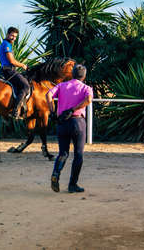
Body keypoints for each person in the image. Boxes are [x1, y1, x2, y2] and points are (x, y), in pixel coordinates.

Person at [45, 64, 93, 193]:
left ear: (72, 74)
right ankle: (72, 184)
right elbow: (88, 100)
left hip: (62, 122)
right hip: (77, 122)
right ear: (84, 76)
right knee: (78, 154)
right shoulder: (86, 88)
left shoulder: (61, 86)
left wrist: (53, 111)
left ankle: (56, 173)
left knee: (63, 153)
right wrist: (73, 109)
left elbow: (48, 96)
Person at [0, 27, 29, 119]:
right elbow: (12, 61)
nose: (13, 38)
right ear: (7, 34)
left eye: (15, 36)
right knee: (26, 86)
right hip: (8, 70)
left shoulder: (7, 44)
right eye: (12, 35)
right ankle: (16, 110)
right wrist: (23, 65)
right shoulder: (6, 44)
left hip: (10, 70)